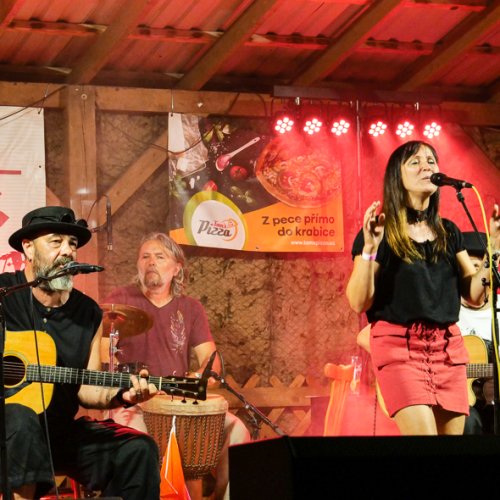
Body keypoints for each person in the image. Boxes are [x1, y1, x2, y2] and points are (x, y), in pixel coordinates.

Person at [0, 206, 160, 500]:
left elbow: (88, 388)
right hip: (9, 433)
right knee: (21, 419)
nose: (67, 251)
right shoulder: (3, 294)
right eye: (56, 241)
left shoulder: (88, 313)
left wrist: (123, 395)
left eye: (72, 244)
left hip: (59, 433)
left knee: (138, 449)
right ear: (28, 248)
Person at [346, 140, 492, 436]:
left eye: (431, 161)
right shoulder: (381, 231)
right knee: (425, 446)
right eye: (415, 162)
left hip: (447, 349)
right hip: (400, 348)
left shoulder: (448, 232)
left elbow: (475, 295)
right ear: (396, 177)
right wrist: (370, 249)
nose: (427, 166)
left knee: (451, 452)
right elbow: (358, 302)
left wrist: (494, 252)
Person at [103, 232, 251, 500]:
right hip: (134, 403)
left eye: (160, 257)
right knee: (139, 443)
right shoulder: (120, 301)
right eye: (145, 257)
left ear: (176, 268)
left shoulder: (190, 308)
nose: (151, 262)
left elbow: (211, 359)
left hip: (179, 404)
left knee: (238, 431)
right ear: (137, 264)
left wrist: (201, 375)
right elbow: (101, 351)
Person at [457, 214, 500, 434]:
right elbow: (366, 336)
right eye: (467, 269)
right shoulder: (445, 310)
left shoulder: (498, 309)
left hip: (493, 399)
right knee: (468, 424)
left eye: (477, 266)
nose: (474, 275)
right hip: (458, 402)